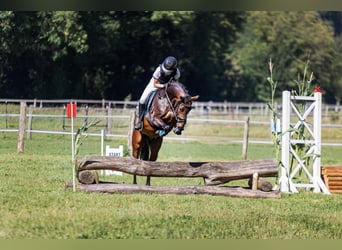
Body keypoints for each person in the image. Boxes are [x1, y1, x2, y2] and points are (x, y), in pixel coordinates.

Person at [134, 56, 181, 130]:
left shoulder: (177, 72)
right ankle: (140, 121)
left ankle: (177, 123)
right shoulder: (159, 70)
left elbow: (175, 83)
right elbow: (155, 84)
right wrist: (163, 86)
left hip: (167, 87)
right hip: (155, 85)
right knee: (142, 100)